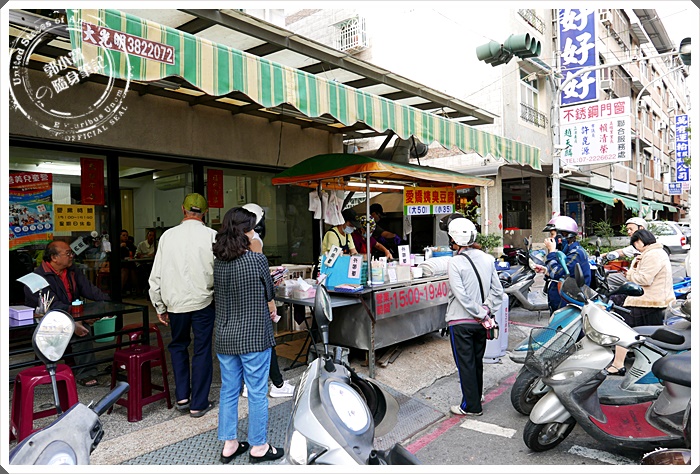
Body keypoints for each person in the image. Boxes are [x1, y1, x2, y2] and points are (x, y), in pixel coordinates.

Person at [213, 207, 284, 464]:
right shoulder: (256, 260)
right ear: (244, 231)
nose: (255, 232)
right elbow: (269, 294)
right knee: (256, 392)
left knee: (229, 391)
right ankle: (259, 446)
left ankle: (230, 444)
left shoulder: (218, 263)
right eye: (252, 228)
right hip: (253, 336)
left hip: (225, 336)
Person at [149, 193, 217, 417]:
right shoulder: (212, 236)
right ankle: (199, 403)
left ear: (182, 209)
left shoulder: (167, 236)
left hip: (175, 304)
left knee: (178, 346)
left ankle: (182, 397)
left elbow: (156, 276)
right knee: (202, 349)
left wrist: (159, 306)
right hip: (203, 302)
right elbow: (219, 272)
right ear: (205, 212)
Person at [24, 240, 109, 387]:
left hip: (70, 315)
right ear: (54, 257)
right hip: (47, 321)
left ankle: (81, 367)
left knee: (81, 326)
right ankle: (86, 373)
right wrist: (77, 319)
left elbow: (90, 290)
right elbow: (53, 305)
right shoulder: (36, 278)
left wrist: (108, 302)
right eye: (68, 253)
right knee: (81, 331)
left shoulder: (72, 271)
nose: (72, 256)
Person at [444, 216, 503, 416]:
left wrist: (478, 312)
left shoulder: (455, 262)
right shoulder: (487, 258)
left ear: (454, 239)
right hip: (482, 323)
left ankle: (471, 406)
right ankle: (476, 396)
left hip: (461, 322)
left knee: (466, 365)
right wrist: (486, 311)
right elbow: (498, 291)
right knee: (476, 362)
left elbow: (461, 295)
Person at [240, 202, 295, 399]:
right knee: (266, 342)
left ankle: (248, 384)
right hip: (256, 299)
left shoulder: (230, 241)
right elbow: (260, 272)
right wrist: (270, 298)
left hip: (239, 300)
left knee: (247, 343)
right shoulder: (254, 239)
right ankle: (277, 384)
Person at [606, 229, 675, 375]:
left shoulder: (653, 254)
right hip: (652, 298)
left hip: (649, 300)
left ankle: (618, 364)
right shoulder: (653, 253)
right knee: (616, 302)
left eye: (635, 243)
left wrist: (630, 273)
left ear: (640, 241)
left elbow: (644, 279)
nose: (635, 247)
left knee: (622, 326)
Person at [541, 215, 591, 313]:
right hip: (560, 301)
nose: (550, 238)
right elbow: (558, 271)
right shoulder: (566, 252)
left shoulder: (576, 253)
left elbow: (557, 273)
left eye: (552, 234)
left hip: (570, 302)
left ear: (563, 235)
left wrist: (551, 252)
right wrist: (546, 270)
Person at [604, 217, 648, 292]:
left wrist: (629, 275)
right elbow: (622, 252)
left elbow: (646, 278)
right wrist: (601, 255)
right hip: (635, 276)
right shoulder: (636, 245)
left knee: (609, 279)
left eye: (631, 229)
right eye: (627, 230)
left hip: (641, 281)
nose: (629, 232)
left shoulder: (648, 248)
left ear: (641, 228)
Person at [135, 229, 156, 296]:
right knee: (144, 272)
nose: (151, 237)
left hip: (152, 264)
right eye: (150, 235)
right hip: (142, 264)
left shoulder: (157, 244)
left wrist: (145, 255)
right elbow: (138, 255)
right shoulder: (141, 244)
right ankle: (145, 290)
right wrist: (147, 255)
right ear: (147, 236)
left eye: (153, 236)